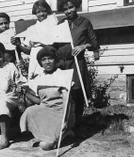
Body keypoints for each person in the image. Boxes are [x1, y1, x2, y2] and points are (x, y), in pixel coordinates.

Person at [18, 46, 75, 150]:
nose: (47, 62)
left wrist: (65, 121)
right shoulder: (40, 79)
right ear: (40, 62)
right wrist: (25, 92)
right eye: (43, 59)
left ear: (55, 60)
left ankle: (66, 131)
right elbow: (40, 101)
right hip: (46, 112)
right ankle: (46, 134)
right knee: (30, 110)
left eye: (50, 58)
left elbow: (67, 102)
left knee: (45, 146)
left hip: (61, 113)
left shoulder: (62, 75)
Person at [56, 0, 100, 130]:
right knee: (63, 94)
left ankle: (77, 126)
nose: (68, 11)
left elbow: (95, 43)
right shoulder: (61, 23)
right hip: (62, 63)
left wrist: (83, 46)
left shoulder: (85, 22)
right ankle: (64, 126)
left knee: (77, 94)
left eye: (71, 7)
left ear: (77, 6)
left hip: (76, 63)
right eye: (65, 9)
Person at [12, 0, 58, 80]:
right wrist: (18, 45)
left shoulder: (54, 25)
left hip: (48, 59)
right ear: (35, 13)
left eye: (44, 11)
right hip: (35, 59)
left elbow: (56, 45)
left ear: (47, 11)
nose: (41, 14)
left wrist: (41, 43)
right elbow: (28, 51)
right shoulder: (32, 29)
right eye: (38, 12)